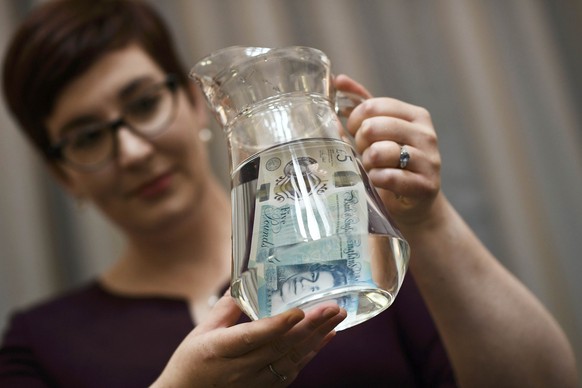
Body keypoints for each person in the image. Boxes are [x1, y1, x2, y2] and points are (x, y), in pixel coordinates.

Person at [0, 1, 577, 387]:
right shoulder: (40, 343)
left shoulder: (358, 258)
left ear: (196, 102)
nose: (132, 151)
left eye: (144, 103)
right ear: (62, 174)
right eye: (86, 137)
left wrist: (425, 215)